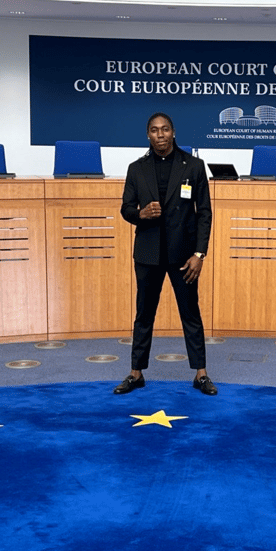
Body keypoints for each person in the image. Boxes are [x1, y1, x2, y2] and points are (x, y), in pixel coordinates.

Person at [115, 112, 217, 395]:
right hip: (148, 254)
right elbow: (126, 209)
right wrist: (141, 213)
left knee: (190, 313)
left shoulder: (194, 166)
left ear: (173, 132)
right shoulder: (136, 169)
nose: (160, 135)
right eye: (154, 130)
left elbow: (204, 213)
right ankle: (136, 373)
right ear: (147, 135)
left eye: (165, 129)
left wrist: (199, 254)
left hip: (183, 256)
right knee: (144, 314)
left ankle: (201, 374)